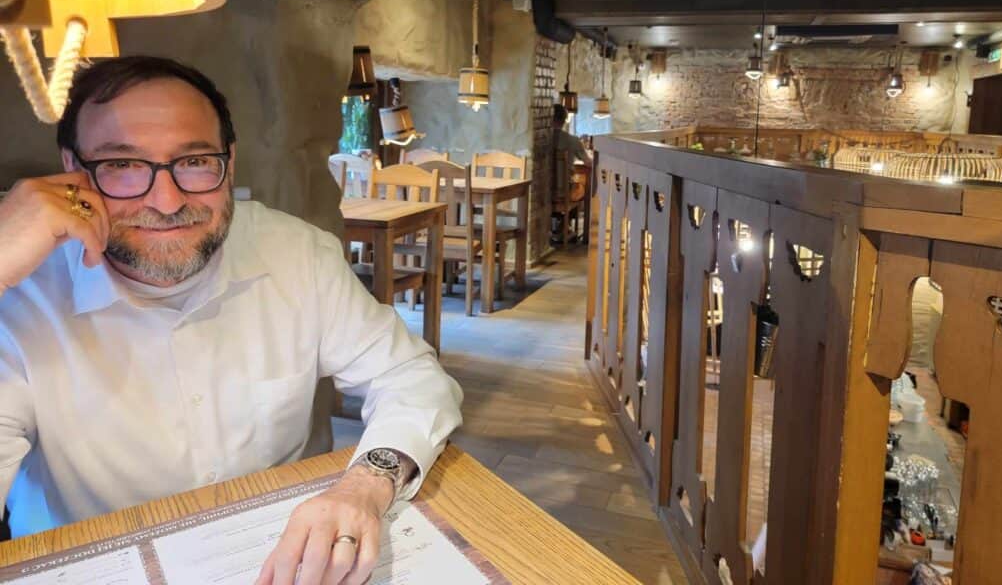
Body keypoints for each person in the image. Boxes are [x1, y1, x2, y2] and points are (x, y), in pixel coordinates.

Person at [0, 56, 463, 585]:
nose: (167, 200)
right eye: (122, 166)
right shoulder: (21, 296)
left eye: (195, 161)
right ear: (72, 172)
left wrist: (363, 487)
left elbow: (412, 378)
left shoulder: (297, 254)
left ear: (230, 163)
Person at [550, 104, 591, 244]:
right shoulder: (573, 140)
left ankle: (560, 225)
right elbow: (588, 163)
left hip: (543, 191)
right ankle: (564, 226)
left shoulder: (541, 139)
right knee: (582, 188)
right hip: (564, 192)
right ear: (565, 119)